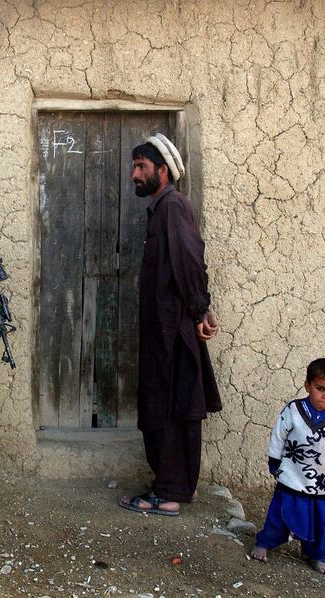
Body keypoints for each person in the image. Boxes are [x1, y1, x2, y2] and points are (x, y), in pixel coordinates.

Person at [118, 133, 221, 517]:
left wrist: (199, 311)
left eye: (141, 167)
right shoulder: (161, 209)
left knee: (175, 408)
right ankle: (167, 484)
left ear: (162, 171)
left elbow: (190, 263)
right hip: (163, 331)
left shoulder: (173, 207)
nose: (134, 175)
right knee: (162, 405)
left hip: (175, 331)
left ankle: (170, 493)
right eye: (134, 167)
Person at [250, 358, 325, 575]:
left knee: (320, 523)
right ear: (307, 385)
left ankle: (317, 555)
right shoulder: (293, 410)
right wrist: (274, 461)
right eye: (320, 388)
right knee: (280, 513)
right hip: (291, 476)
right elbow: (278, 435)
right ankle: (265, 542)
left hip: (321, 484)